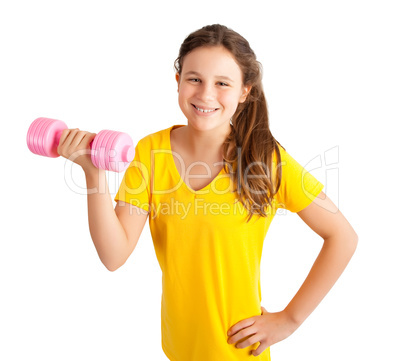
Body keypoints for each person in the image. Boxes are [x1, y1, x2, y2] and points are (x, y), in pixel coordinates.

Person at [57, 24, 358, 361]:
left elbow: (342, 236)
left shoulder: (266, 160)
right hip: (178, 349)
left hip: (240, 352)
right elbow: (114, 255)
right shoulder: (150, 153)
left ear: (245, 91)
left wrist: (288, 320)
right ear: (178, 81)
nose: (206, 94)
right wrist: (93, 171)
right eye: (195, 79)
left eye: (222, 83)